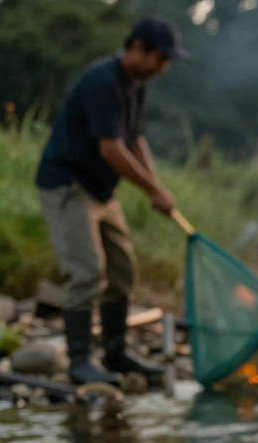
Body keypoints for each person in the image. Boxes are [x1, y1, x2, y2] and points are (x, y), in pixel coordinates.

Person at [35, 17, 187, 386]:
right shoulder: (103, 82)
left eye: (167, 61)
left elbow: (135, 139)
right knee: (87, 272)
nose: (162, 67)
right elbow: (111, 149)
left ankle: (116, 354)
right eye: (159, 58)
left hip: (103, 192)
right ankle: (80, 362)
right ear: (136, 48)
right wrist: (152, 190)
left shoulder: (135, 85)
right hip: (69, 186)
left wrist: (158, 185)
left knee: (122, 272)